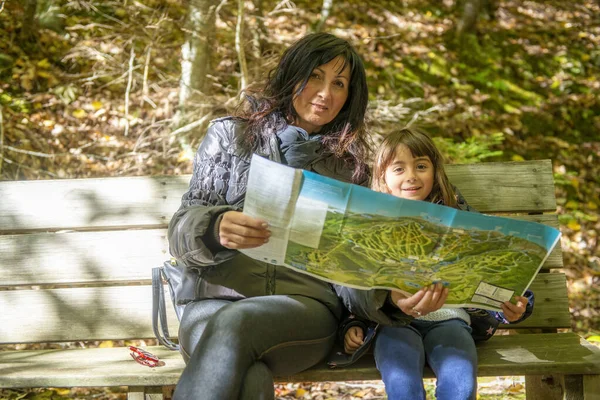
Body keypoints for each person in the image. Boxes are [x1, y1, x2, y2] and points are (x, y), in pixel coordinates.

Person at [167, 32, 371, 400]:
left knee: (236, 325)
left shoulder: (350, 170)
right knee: (251, 379)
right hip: (212, 299)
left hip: (304, 310)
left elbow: (354, 268)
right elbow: (181, 231)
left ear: (350, 97)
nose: (325, 92)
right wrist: (213, 228)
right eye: (314, 76)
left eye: (339, 83)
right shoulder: (232, 136)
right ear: (292, 76)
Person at [335, 127, 534, 400]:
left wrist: (514, 306)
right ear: (382, 177)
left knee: (461, 384)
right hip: (393, 325)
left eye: (420, 166)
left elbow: (495, 269)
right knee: (402, 384)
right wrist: (352, 325)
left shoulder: (460, 218)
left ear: (435, 171)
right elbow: (357, 283)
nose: (411, 177)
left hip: (451, 322)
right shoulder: (372, 224)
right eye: (399, 169)